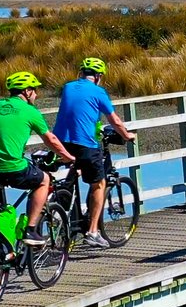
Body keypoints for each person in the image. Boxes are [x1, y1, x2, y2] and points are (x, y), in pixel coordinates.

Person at [0, 71, 75, 246]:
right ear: (27, 91)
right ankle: (31, 230)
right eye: (35, 90)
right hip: (12, 168)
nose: (36, 95)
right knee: (44, 180)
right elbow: (50, 139)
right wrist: (68, 157)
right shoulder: (30, 111)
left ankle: (1, 256)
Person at [52, 57, 137, 249]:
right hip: (84, 143)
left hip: (61, 142)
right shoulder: (99, 91)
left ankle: (62, 213)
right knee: (99, 183)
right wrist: (127, 135)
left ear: (81, 73)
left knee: (74, 172)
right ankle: (92, 232)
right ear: (98, 76)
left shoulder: (68, 87)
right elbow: (114, 120)